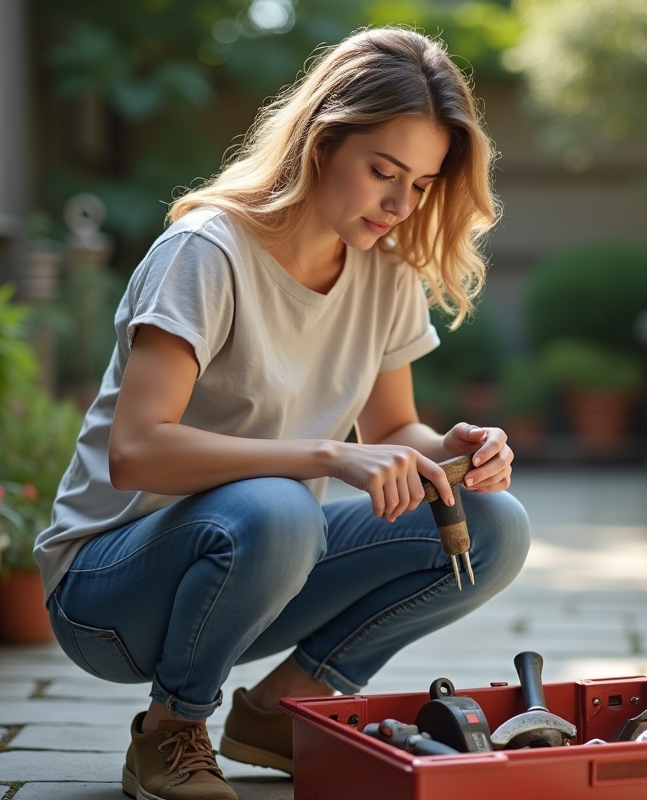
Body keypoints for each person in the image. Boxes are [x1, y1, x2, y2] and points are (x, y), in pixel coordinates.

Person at [34, 25, 531, 800]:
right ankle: (170, 732)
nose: (401, 204)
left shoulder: (383, 269)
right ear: (321, 143)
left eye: (423, 185)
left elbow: (395, 432)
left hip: (259, 560)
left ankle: (281, 713)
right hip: (110, 589)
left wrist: (454, 450)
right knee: (283, 509)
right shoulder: (208, 251)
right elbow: (135, 450)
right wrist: (325, 457)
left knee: (494, 525)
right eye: (383, 172)